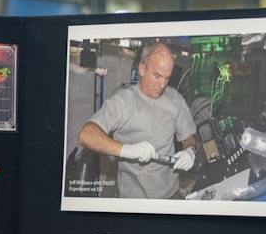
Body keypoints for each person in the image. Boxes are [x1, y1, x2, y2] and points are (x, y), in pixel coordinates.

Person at [76, 41, 198, 200]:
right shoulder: (124, 101)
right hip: (135, 200)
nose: (162, 84)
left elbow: (189, 137)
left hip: (172, 195)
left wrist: (190, 151)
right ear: (142, 69)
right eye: (157, 76)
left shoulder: (175, 98)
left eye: (167, 78)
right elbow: (86, 135)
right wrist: (126, 149)